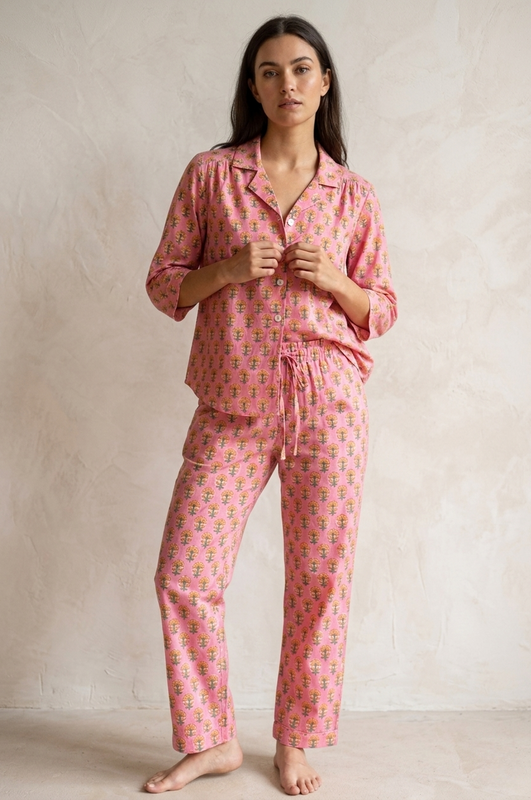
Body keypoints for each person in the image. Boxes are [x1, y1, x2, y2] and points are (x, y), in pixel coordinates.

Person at [143, 14, 397, 796]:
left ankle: (295, 740)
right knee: (184, 574)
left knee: (320, 579)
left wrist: (336, 282)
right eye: (268, 71)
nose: (285, 84)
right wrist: (226, 270)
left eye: (300, 69)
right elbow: (163, 285)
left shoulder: (353, 193)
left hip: (329, 408)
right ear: (251, 87)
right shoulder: (212, 176)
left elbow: (379, 307)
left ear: (323, 83)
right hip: (232, 405)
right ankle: (212, 741)